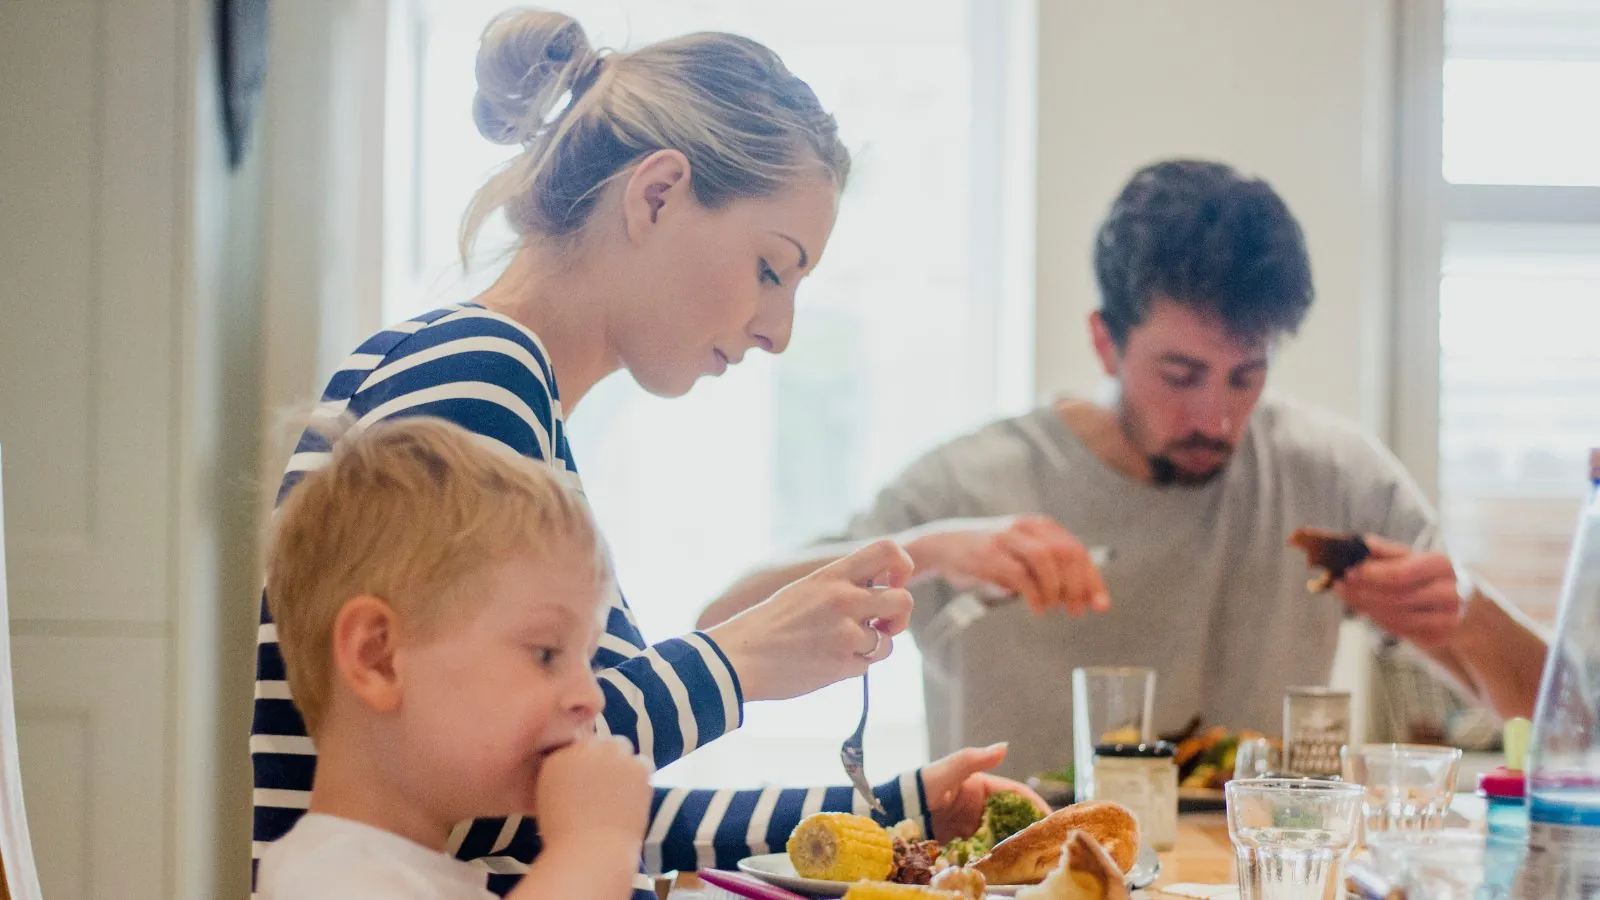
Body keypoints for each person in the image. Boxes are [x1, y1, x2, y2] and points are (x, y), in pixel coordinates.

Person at [250, 10, 1042, 899]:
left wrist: (903, 811)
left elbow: (572, 802)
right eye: (771, 270)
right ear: (657, 194)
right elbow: (505, 775)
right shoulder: (478, 375)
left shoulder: (501, 388)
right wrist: (740, 657)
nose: (778, 331)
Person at [698, 159, 1549, 780]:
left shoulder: (1330, 474)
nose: (1215, 417)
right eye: (1180, 376)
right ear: (1105, 339)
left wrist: (1465, 614)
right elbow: (720, 627)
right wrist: (931, 549)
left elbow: (1565, 724)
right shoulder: (971, 486)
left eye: (1246, 376)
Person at [257, 415, 653, 899]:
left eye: (586, 658)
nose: (590, 696)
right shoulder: (330, 882)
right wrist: (594, 846)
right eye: (547, 653)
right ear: (377, 657)